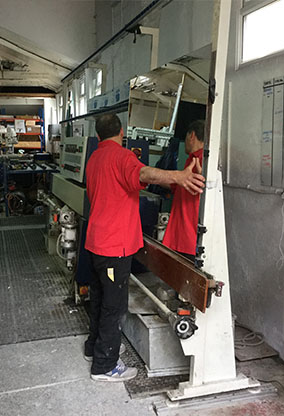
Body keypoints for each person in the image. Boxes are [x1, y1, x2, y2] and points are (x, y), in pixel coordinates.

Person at [84, 114, 204, 382]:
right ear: (122, 132)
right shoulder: (122, 156)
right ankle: (105, 365)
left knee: (100, 298)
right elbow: (143, 173)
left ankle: (95, 348)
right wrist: (179, 176)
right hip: (114, 246)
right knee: (113, 306)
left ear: (98, 134)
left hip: (95, 242)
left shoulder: (94, 158)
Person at [162, 120, 205, 261]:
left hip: (188, 241)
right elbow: (179, 186)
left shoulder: (201, 161)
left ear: (192, 135)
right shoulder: (192, 160)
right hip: (182, 239)